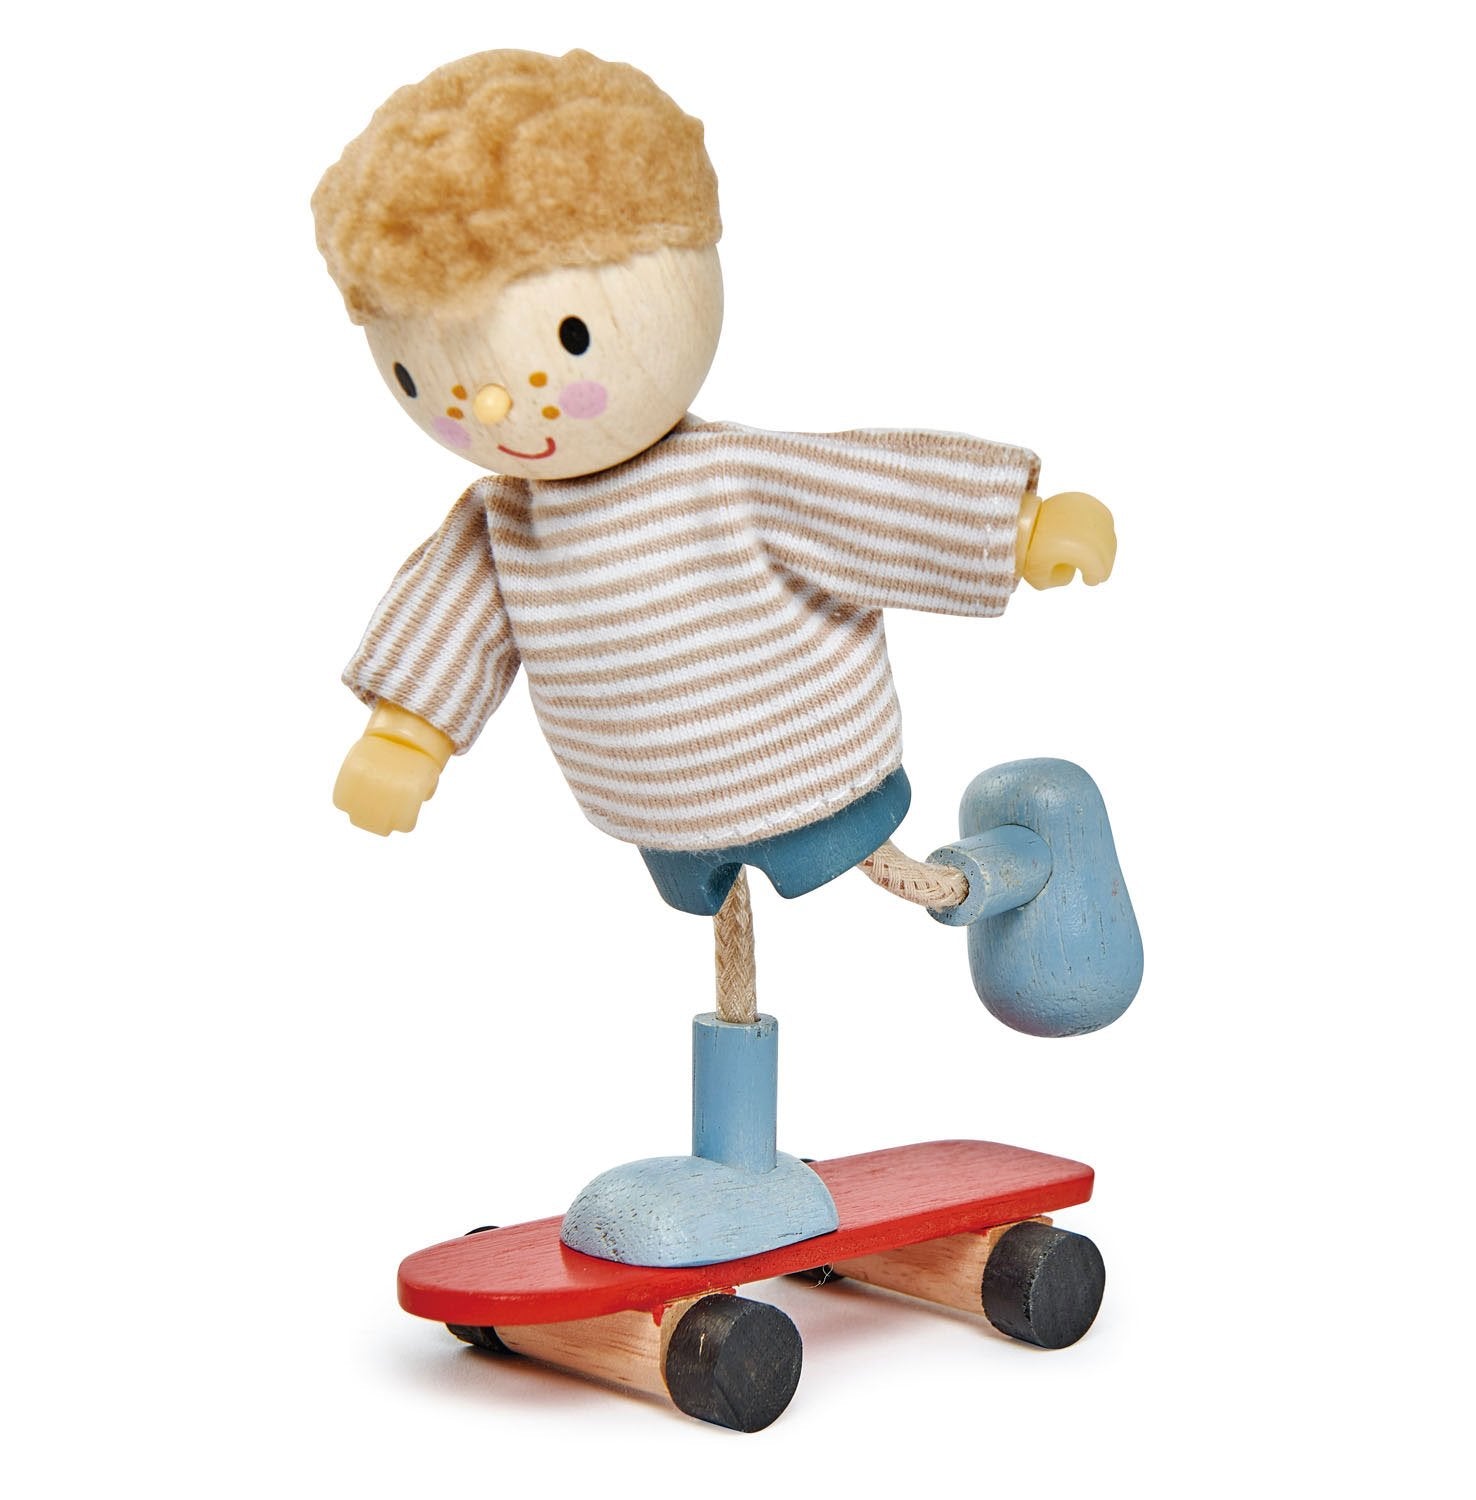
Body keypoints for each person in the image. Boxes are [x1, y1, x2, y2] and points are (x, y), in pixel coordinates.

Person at [314, 49, 1120, 1266]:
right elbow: (452, 621)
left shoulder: (729, 478)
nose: (490, 408)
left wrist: (1013, 527)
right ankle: (740, 1169)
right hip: (662, 811)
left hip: (807, 763)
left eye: (565, 337)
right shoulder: (503, 523)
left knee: (900, 883)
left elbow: (864, 499)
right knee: (726, 947)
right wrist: (407, 731)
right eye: (425, 375)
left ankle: (1025, 867)